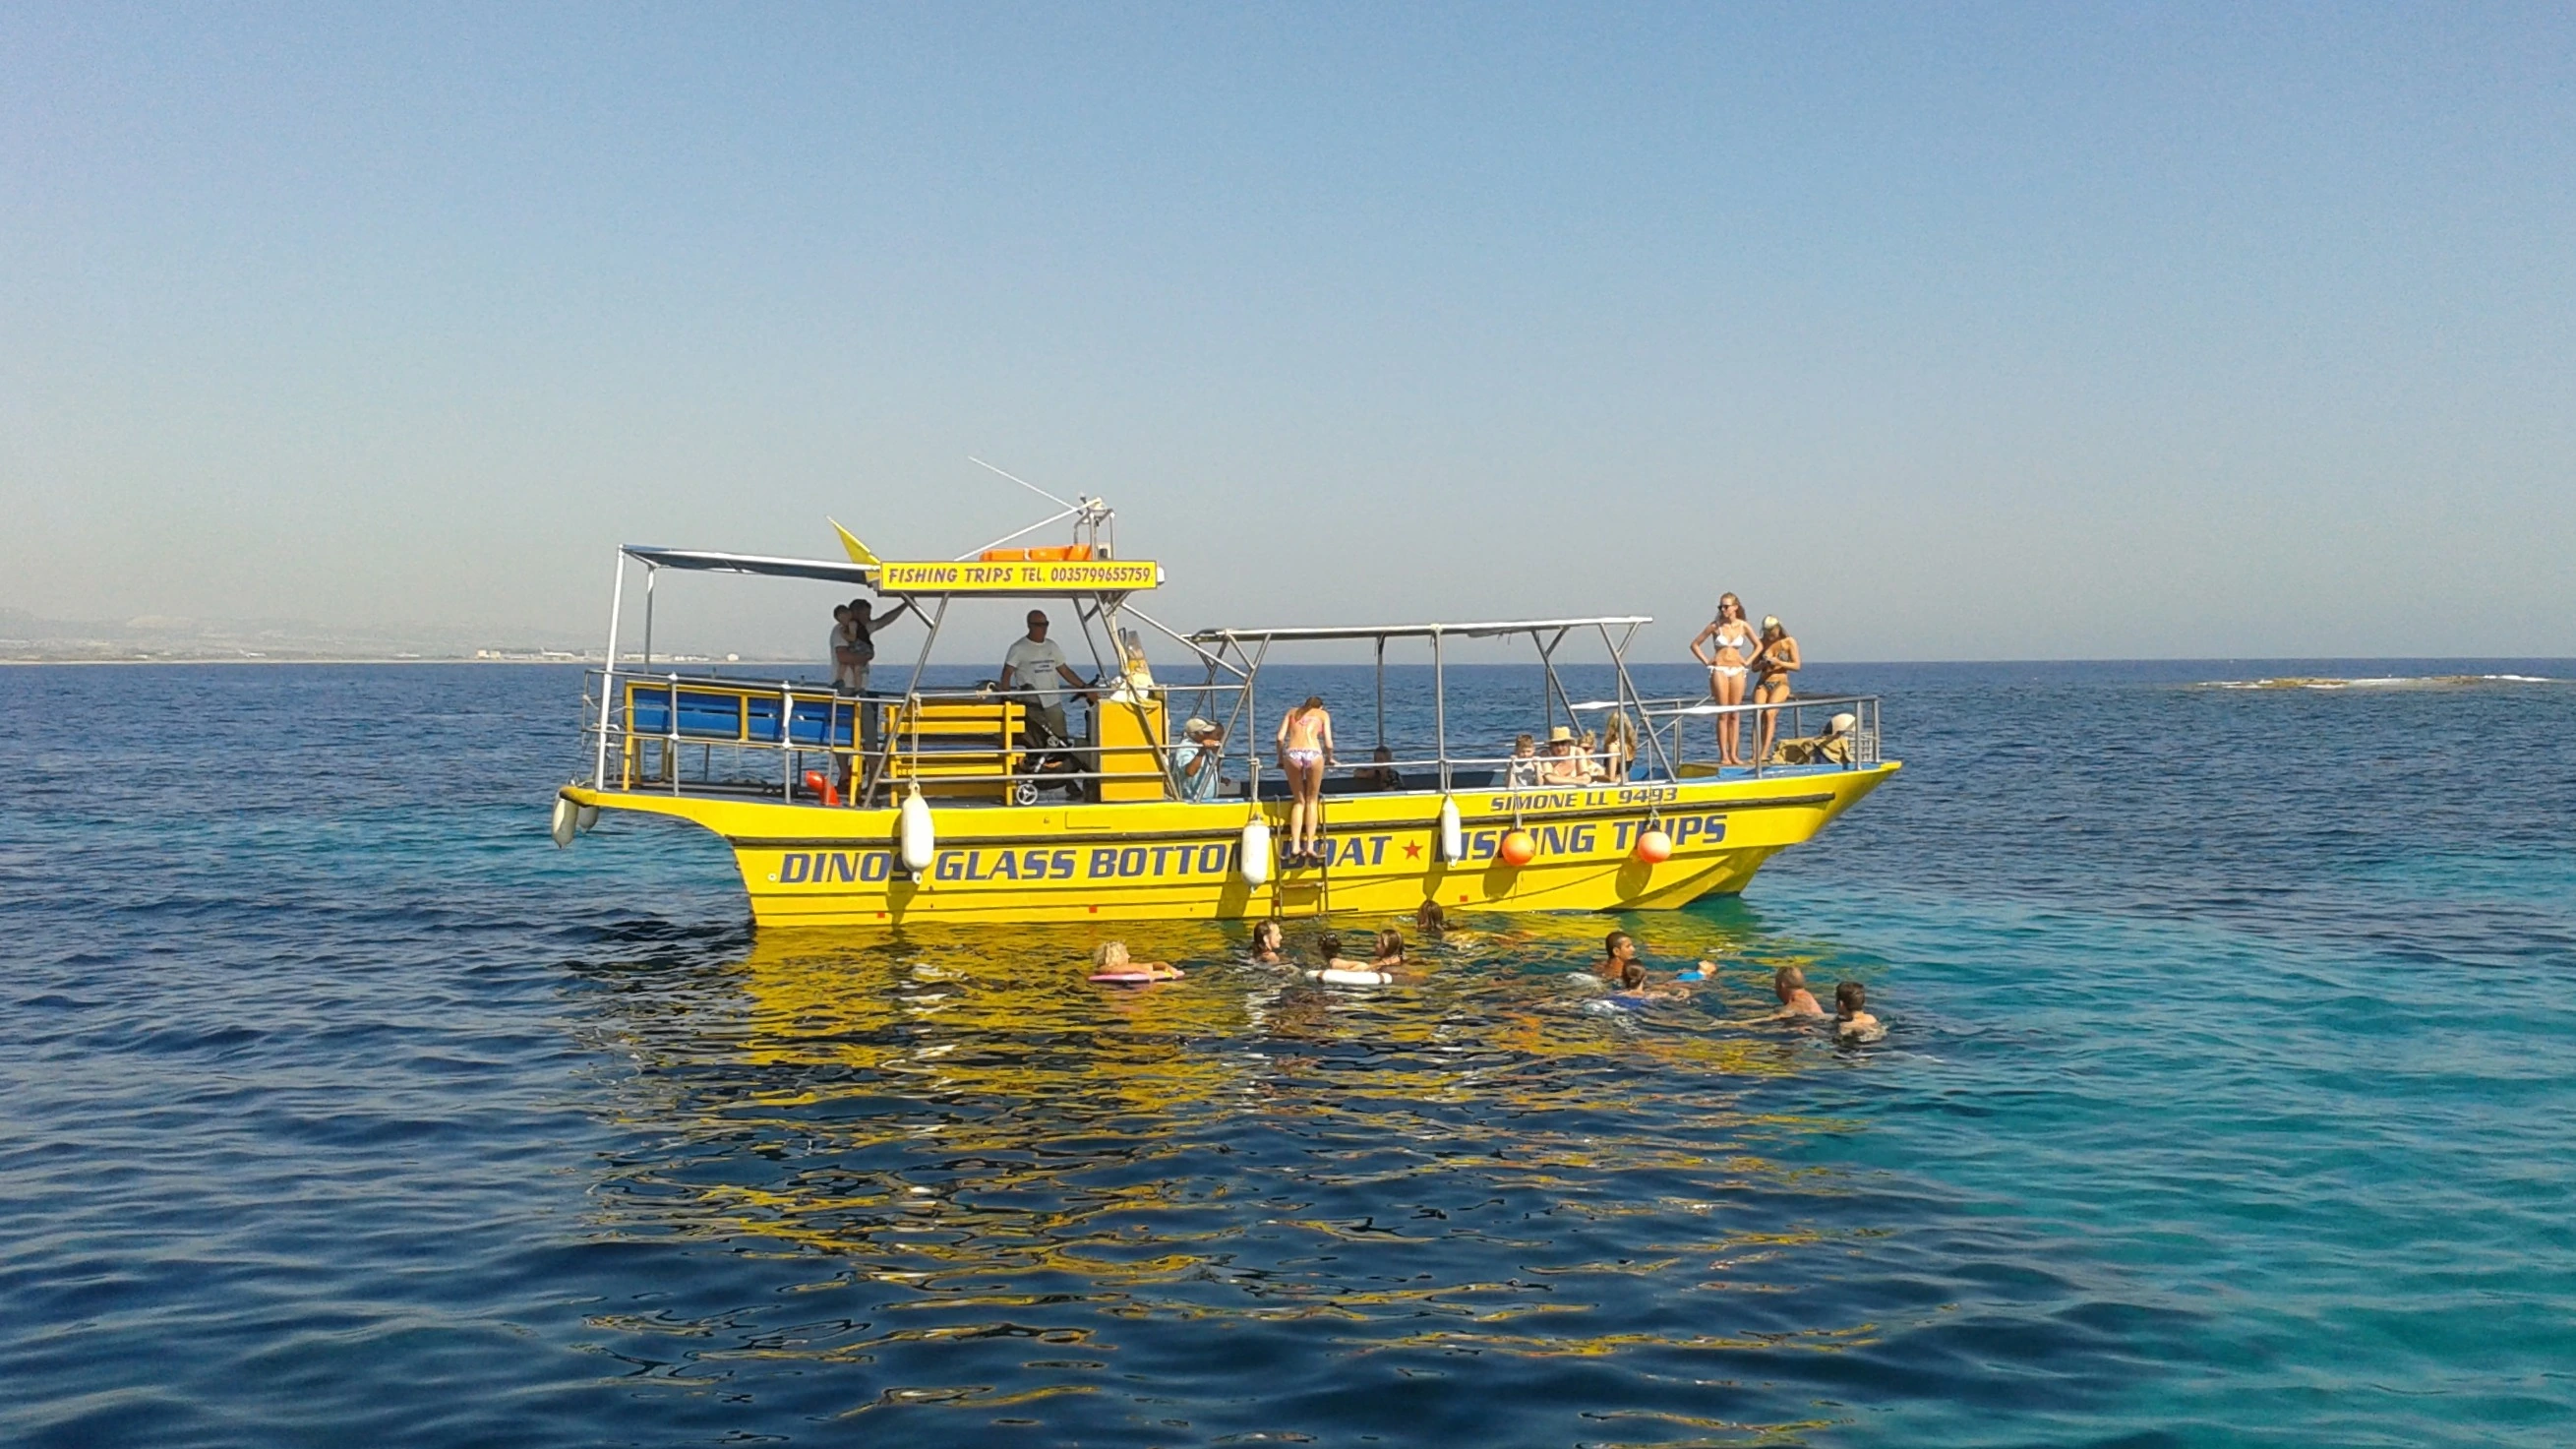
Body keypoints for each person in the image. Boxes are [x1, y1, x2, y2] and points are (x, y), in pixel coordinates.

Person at [830, 595, 917, 782]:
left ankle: (871, 774)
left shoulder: (864, 629)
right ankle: (850, 775)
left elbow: (885, 620)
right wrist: (866, 657)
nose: (869, 619)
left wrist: (906, 605)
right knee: (846, 733)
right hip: (847, 689)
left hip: (860, 690)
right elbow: (844, 657)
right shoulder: (841, 631)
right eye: (866, 615)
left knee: (868, 734)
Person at [999, 610, 1092, 747]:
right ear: (1029, 625)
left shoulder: (1052, 646)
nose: (1043, 628)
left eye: (1046, 624)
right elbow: (1007, 673)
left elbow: (1065, 671)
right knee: (1036, 741)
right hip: (1032, 706)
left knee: (1061, 740)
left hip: (1053, 703)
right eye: (1039, 624)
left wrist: (1085, 687)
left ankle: (1061, 765)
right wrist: (1005, 698)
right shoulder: (1018, 648)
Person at [1689, 592, 1760, 767]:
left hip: (1737, 669)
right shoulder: (1715, 626)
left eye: (1726, 606)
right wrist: (1707, 661)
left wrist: (1747, 661)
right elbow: (1695, 644)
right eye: (1721, 606)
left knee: (1735, 713)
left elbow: (1758, 645)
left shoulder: (1743, 626)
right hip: (1720, 668)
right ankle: (1724, 755)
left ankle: (1734, 754)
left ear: (1735, 607)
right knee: (1723, 713)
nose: (1723, 609)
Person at [1275, 695, 1335, 866]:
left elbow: (1280, 738)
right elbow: (1328, 744)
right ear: (1320, 707)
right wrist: (1330, 758)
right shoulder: (1322, 715)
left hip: (1293, 753)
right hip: (1313, 753)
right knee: (1312, 801)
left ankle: (1294, 845)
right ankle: (1309, 845)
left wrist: (1280, 759)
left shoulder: (1292, 712)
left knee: (1299, 801)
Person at [1751, 616, 1801, 763]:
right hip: (1764, 681)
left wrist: (1779, 662)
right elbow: (1753, 667)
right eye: (1767, 632)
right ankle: (1755, 754)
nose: (1770, 635)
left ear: (1778, 628)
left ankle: (1764, 753)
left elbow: (1797, 665)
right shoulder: (1761, 643)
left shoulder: (1788, 642)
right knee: (1758, 713)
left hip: (1781, 682)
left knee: (1770, 713)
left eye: (1772, 631)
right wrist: (1763, 663)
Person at [1172, 717, 1226, 802]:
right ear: (1197, 734)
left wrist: (1216, 752)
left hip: (1208, 799)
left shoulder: (1203, 744)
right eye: (1206, 733)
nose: (1208, 735)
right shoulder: (1186, 748)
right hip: (1192, 800)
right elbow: (1190, 772)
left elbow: (1213, 767)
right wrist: (1202, 751)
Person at [1090, 940, 1181, 981]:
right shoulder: (1102, 969)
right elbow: (1112, 970)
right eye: (1125, 953)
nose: (1129, 956)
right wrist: (1142, 970)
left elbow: (1153, 965)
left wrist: (1167, 967)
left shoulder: (1133, 966)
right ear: (1117, 956)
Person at [1600, 709, 1638, 782]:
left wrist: (1593, 777)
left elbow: (1611, 778)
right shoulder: (1629, 744)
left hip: (1615, 785)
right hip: (1626, 780)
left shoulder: (1613, 747)